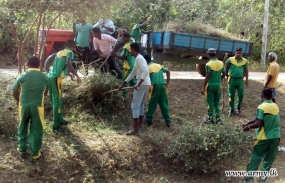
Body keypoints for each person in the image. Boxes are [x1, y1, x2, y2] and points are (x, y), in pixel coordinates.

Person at [12, 56, 49, 161]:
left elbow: (15, 91)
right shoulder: (45, 77)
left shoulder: (22, 76)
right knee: (37, 130)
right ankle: (36, 154)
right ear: (39, 65)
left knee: (22, 126)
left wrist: (18, 101)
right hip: (37, 106)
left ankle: (22, 150)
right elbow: (45, 93)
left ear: (27, 65)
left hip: (23, 105)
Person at [242, 88, 280, 182]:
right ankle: (262, 179)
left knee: (256, 157)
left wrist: (248, 127)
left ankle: (249, 179)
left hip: (264, 138)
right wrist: (248, 123)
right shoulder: (275, 106)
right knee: (268, 159)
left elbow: (259, 123)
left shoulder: (262, 107)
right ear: (272, 96)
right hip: (275, 137)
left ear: (262, 96)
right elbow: (258, 119)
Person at [48, 40, 81, 134]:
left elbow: (58, 67)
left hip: (51, 76)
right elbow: (68, 63)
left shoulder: (60, 52)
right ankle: (56, 126)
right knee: (57, 101)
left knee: (55, 100)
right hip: (56, 79)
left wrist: (69, 75)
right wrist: (77, 75)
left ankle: (60, 119)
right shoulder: (70, 53)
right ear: (73, 46)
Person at [118, 43, 151, 135]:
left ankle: (135, 130)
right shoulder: (138, 58)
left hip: (142, 84)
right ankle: (140, 125)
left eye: (130, 49)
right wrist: (123, 83)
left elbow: (146, 70)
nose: (129, 51)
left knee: (134, 106)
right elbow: (133, 73)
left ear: (133, 49)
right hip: (146, 83)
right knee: (140, 104)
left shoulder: (139, 58)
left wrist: (139, 83)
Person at [143, 54, 171, 128]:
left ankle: (148, 120)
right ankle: (167, 120)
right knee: (164, 103)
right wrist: (167, 83)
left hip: (154, 86)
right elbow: (168, 72)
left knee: (152, 103)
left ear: (145, 61)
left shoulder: (147, 68)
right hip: (162, 86)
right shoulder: (158, 65)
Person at [201, 48, 225, 125]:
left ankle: (211, 119)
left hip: (210, 86)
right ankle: (218, 119)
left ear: (208, 55)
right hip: (218, 86)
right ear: (215, 54)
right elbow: (224, 74)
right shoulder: (221, 63)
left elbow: (207, 76)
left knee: (210, 102)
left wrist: (203, 87)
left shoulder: (208, 64)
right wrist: (219, 80)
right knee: (217, 103)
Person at [225, 48, 249, 116]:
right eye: (237, 53)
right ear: (235, 53)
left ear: (242, 54)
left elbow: (246, 70)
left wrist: (246, 80)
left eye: (240, 53)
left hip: (240, 80)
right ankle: (231, 109)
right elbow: (225, 66)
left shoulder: (245, 61)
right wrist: (225, 75)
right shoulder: (230, 59)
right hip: (231, 79)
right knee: (231, 95)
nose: (238, 54)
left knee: (241, 95)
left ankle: (238, 107)